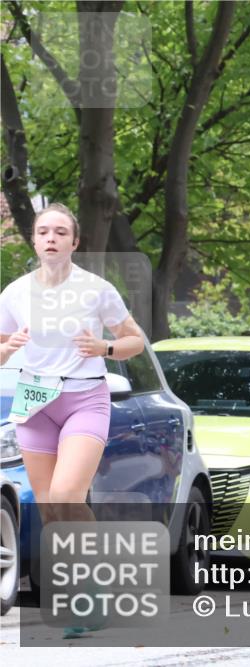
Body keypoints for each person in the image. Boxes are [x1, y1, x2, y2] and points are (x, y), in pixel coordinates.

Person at [0, 203, 145, 637]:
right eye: (43, 231)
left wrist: (105, 349)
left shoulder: (96, 290)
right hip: (34, 399)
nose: (50, 238)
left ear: (74, 242)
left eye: (60, 232)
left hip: (84, 397)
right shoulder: (15, 293)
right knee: (51, 510)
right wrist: (10, 348)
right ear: (34, 240)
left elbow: (135, 340)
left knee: (66, 494)